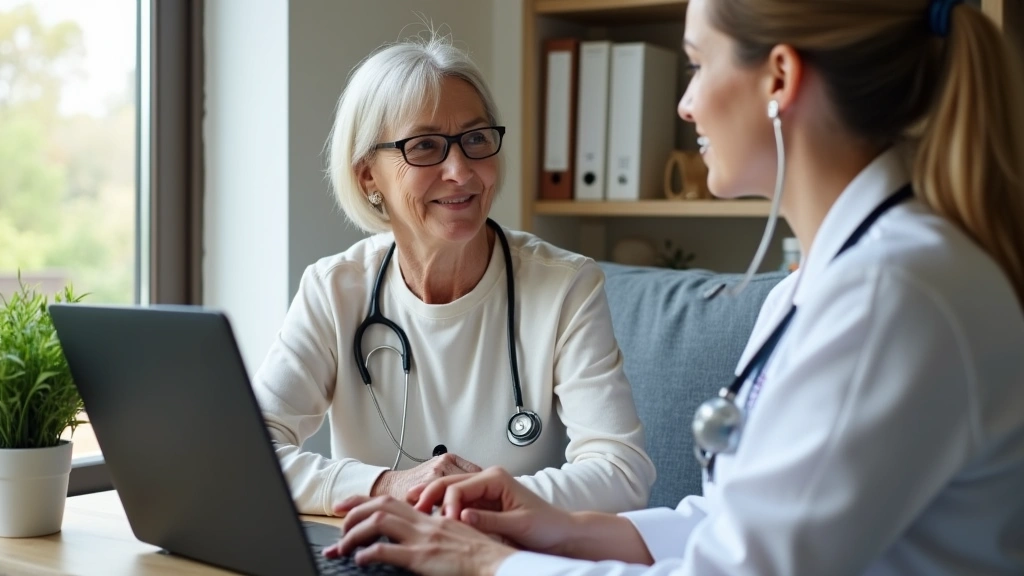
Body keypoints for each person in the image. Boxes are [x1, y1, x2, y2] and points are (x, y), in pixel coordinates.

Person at [323, 0, 1024, 574]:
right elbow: (727, 528)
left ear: (778, 77)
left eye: (696, 64)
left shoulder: (889, 295)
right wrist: (555, 525)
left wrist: (486, 563)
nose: (685, 105)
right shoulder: (822, 284)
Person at [250, 29, 655, 518]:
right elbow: (249, 454)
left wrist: (477, 498)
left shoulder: (566, 286)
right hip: (375, 556)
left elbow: (621, 471)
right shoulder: (333, 289)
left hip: (504, 557)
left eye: (476, 139)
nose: (461, 171)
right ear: (367, 175)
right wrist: (387, 485)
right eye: (424, 147)